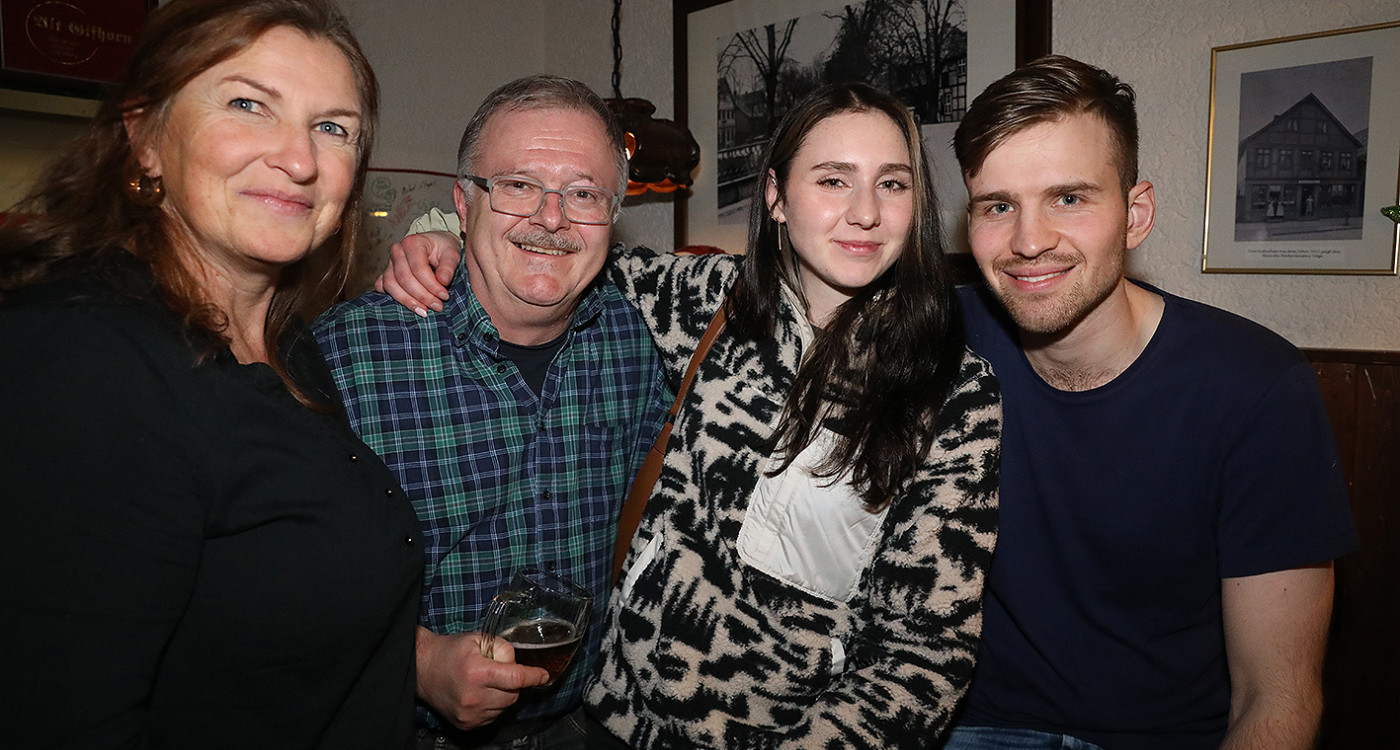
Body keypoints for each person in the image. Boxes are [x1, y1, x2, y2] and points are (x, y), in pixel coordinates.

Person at [380, 82, 1002, 748]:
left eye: (892, 185)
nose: (865, 213)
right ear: (776, 197)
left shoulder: (953, 394)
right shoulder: (705, 303)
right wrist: (442, 236)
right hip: (605, 723)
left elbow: (923, 661)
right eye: (832, 180)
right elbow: (553, 252)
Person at [0, 1, 422, 748]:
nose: (299, 159)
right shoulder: (80, 359)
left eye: (334, 127)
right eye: (248, 104)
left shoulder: (282, 340)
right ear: (146, 135)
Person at [940, 55, 1357, 749]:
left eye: (1069, 198)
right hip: (970, 726)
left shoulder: (1256, 386)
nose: (1029, 241)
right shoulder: (933, 342)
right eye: (999, 206)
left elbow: (1274, 698)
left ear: (1136, 215)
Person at [311, 76, 670, 749]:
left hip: (583, 729)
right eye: (518, 185)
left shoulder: (636, 338)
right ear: (463, 202)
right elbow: (283, 581)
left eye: (584, 193)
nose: (553, 218)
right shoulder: (346, 358)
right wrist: (415, 664)